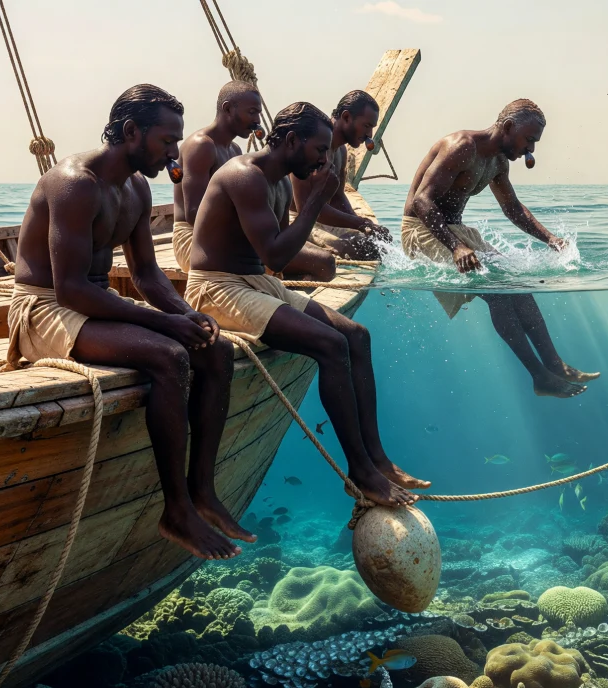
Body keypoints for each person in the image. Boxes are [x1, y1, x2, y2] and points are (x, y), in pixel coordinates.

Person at [8, 84, 252, 561]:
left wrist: (185, 313)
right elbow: (71, 289)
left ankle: (202, 490)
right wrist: (165, 328)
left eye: (176, 141)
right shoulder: (75, 183)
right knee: (168, 356)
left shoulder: (137, 188)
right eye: (165, 141)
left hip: (87, 302)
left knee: (216, 350)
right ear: (130, 132)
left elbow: (145, 273)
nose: (173, 153)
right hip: (44, 309)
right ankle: (176, 510)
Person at [185, 102, 427, 508]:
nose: (322, 160)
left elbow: (280, 247)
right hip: (217, 288)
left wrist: (321, 254)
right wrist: (315, 201)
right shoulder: (246, 176)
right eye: (318, 150)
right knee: (330, 346)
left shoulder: (279, 180)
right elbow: (276, 256)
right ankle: (360, 473)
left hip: (254, 282)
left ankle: (378, 460)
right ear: (292, 141)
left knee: (355, 336)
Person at [401, 99, 598, 398]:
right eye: (529, 140)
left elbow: (513, 208)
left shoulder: (498, 162)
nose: (531, 150)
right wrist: (456, 248)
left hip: (456, 231)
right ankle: (539, 377)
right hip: (422, 230)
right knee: (499, 293)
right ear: (507, 127)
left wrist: (550, 239)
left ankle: (555, 365)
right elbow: (421, 201)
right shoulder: (461, 146)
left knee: (518, 287)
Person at [173, 81, 335, 281]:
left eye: (259, 113)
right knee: (321, 263)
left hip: (226, 236)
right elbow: (193, 213)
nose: (257, 120)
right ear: (228, 108)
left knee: (322, 259)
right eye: (251, 112)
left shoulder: (235, 150)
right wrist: (252, 229)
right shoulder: (202, 146)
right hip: (194, 240)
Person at [289, 90, 391, 260]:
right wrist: (359, 223)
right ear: (346, 117)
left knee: (378, 245)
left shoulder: (341, 151)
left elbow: (337, 197)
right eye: (366, 126)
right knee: (356, 248)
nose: (370, 135)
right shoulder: (313, 145)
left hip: (317, 217)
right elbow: (306, 207)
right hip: (296, 221)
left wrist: (364, 226)